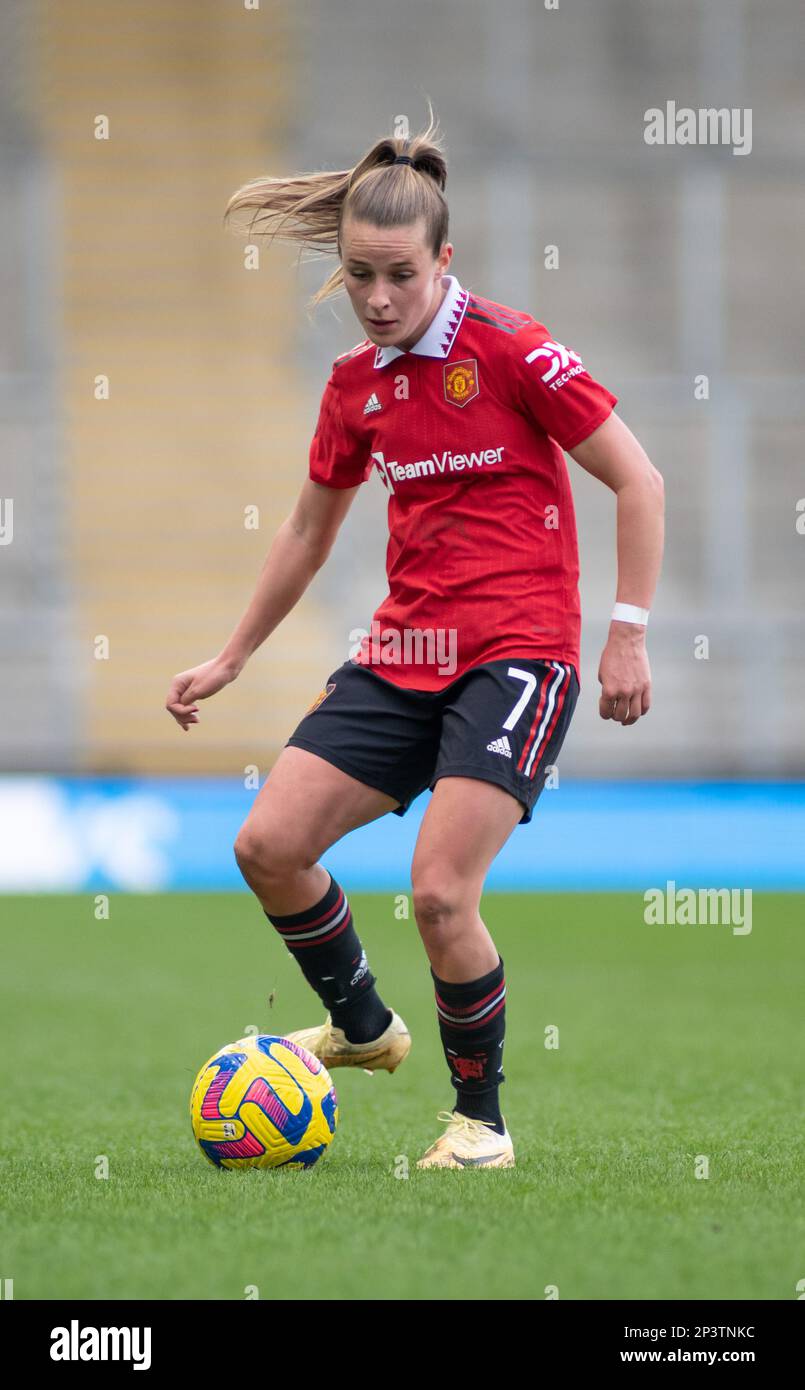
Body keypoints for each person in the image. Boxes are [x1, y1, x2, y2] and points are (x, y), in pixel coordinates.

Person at [165, 115, 664, 1170]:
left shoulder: (514, 349)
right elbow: (308, 528)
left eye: (398, 274)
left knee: (440, 891)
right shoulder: (354, 385)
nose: (379, 297)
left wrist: (626, 633)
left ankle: (480, 1123)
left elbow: (638, 478)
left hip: (518, 657)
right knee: (266, 846)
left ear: (444, 261)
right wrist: (233, 655)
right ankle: (361, 1027)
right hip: (403, 656)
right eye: (358, 277)